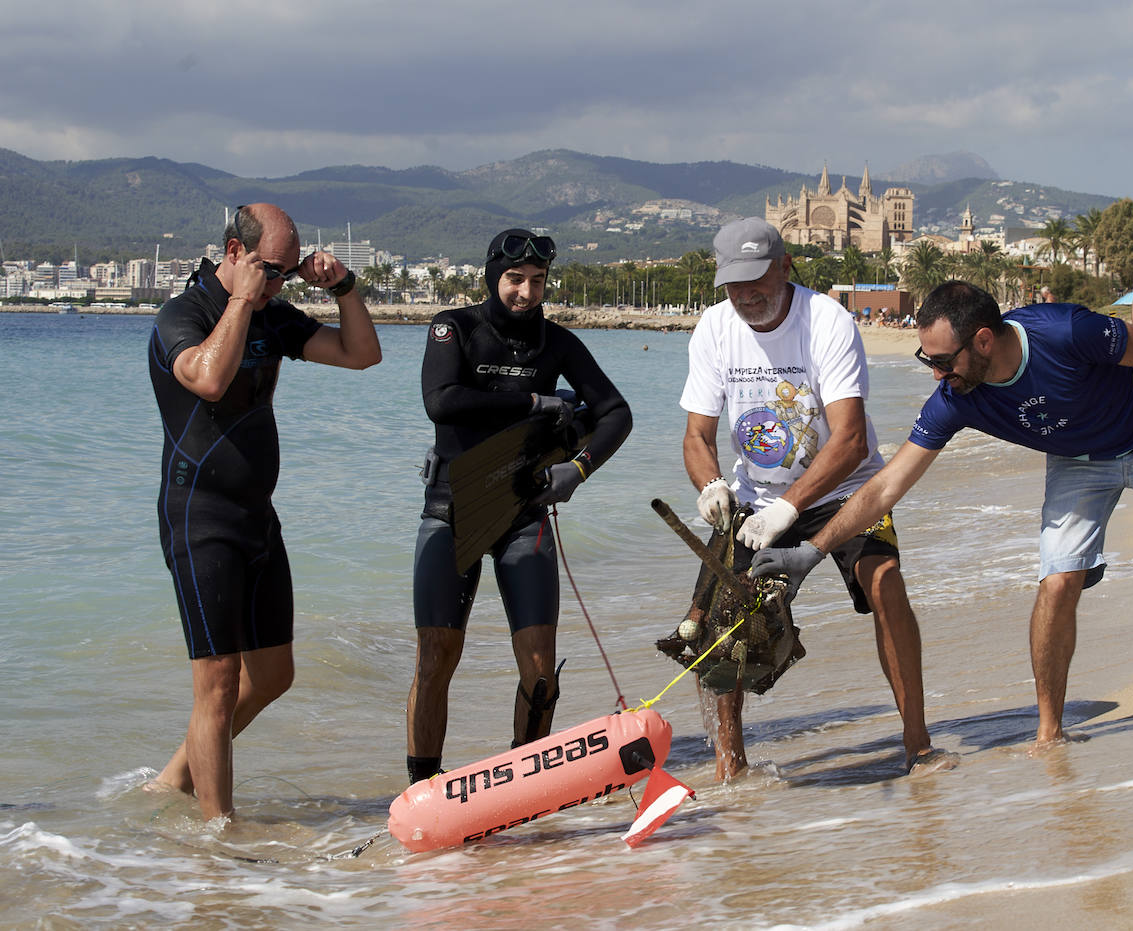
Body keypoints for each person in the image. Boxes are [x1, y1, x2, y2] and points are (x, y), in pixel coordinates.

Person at [754, 280, 1133, 748]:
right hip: (1078, 463)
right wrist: (813, 549)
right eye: (925, 359)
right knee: (1058, 583)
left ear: (983, 341)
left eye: (942, 360)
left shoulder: (1066, 330)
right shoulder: (956, 398)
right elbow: (886, 486)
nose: (935, 374)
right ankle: (1050, 729)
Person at [680, 217, 950, 781]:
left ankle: (918, 746)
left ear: (785, 267)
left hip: (844, 487)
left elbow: (850, 441)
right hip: (754, 499)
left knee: (885, 583)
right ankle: (732, 771)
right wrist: (710, 486)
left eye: (757, 281)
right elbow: (697, 436)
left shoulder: (826, 319)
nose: (746, 296)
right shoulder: (714, 327)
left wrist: (791, 508)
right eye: (733, 285)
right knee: (723, 623)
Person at [147, 203, 383, 819]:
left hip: (257, 517)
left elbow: (361, 354)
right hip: (200, 518)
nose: (280, 283)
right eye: (271, 270)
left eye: (288, 272)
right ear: (234, 253)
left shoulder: (271, 315)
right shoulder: (182, 315)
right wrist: (242, 302)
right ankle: (217, 838)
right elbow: (207, 380)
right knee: (218, 683)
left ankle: (173, 780)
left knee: (274, 674)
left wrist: (343, 287)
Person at [405, 229, 632, 786]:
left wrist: (578, 469)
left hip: (524, 513)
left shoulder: (558, 343)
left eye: (536, 281)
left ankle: (523, 783)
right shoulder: (454, 327)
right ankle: (423, 788)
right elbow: (442, 401)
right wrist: (535, 401)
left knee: (539, 672)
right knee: (436, 659)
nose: (525, 293)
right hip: (451, 510)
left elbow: (617, 412)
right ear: (492, 277)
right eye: (514, 279)